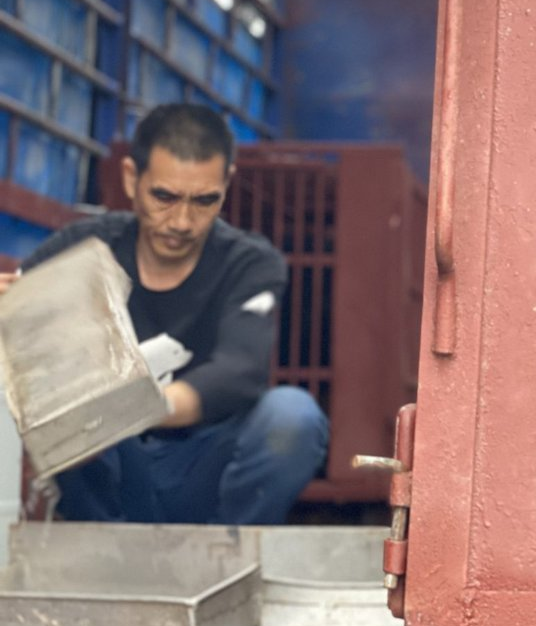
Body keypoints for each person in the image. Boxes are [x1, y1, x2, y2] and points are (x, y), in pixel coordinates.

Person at [0, 103, 328, 524]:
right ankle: (106, 551)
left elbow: (239, 369)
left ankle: (230, 556)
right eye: (164, 197)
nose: (182, 222)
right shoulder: (87, 247)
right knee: (64, 412)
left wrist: (138, 408)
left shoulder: (250, 263)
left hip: (203, 464)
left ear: (226, 184)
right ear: (131, 179)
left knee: (292, 416)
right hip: (108, 468)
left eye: (205, 201)